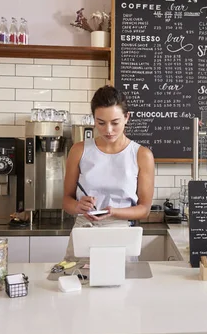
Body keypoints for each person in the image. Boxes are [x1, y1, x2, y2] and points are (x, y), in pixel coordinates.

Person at [62, 85, 155, 261]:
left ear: (126, 117)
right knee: (77, 284)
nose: (108, 130)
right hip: (84, 230)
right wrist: (77, 206)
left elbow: (144, 209)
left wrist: (114, 211)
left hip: (120, 232)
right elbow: (66, 200)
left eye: (115, 122)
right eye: (101, 123)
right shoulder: (79, 150)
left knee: (121, 285)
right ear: (94, 119)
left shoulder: (142, 155)